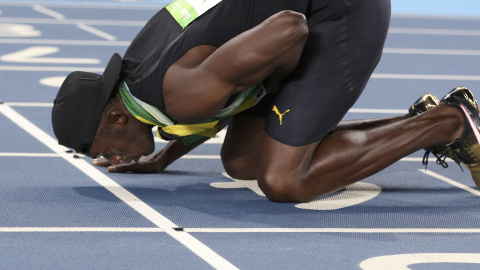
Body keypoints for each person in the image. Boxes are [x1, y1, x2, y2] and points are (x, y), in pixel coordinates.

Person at [52, 0, 480, 203]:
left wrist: (273, 82)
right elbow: (208, 92)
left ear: (113, 116)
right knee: (242, 162)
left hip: (338, 13)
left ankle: (451, 122)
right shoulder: (139, 70)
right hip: (294, 17)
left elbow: (289, 28)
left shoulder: (182, 96)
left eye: (99, 148)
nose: (103, 157)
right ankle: (417, 123)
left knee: (284, 181)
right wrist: (165, 156)